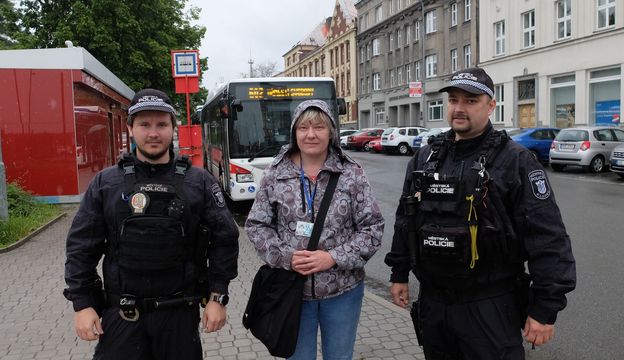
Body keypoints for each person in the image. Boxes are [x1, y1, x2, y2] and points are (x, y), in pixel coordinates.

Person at [385, 68, 576, 359]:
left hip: (489, 308)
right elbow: (406, 219)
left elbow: (548, 238)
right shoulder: (426, 157)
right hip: (434, 305)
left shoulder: (516, 161)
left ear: (490, 106)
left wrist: (544, 309)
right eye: (453, 100)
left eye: (471, 100)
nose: (459, 108)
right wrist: (399, 273)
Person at [63, 88, 239, 359]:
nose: (153, 133)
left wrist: (217, 297)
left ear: (173, 128)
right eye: (144, 124)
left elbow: (225, 239)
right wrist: (83, 304)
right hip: (123, 315)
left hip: (180, 317)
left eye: (161, 124)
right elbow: (81, 248)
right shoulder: (106, 183)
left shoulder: (199, 182)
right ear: (130, 129)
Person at [245, 99, 384, 360]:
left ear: (330, 132)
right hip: (292, 292)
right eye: (304, 127)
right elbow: (257, 225)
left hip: (342, 291)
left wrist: (332, 257)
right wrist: (286, 257)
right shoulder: (275, 173)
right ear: (294, 132)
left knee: (339, 357)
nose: (311, 134)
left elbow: (372, 228)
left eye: (319, 127)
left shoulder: (350, 172)